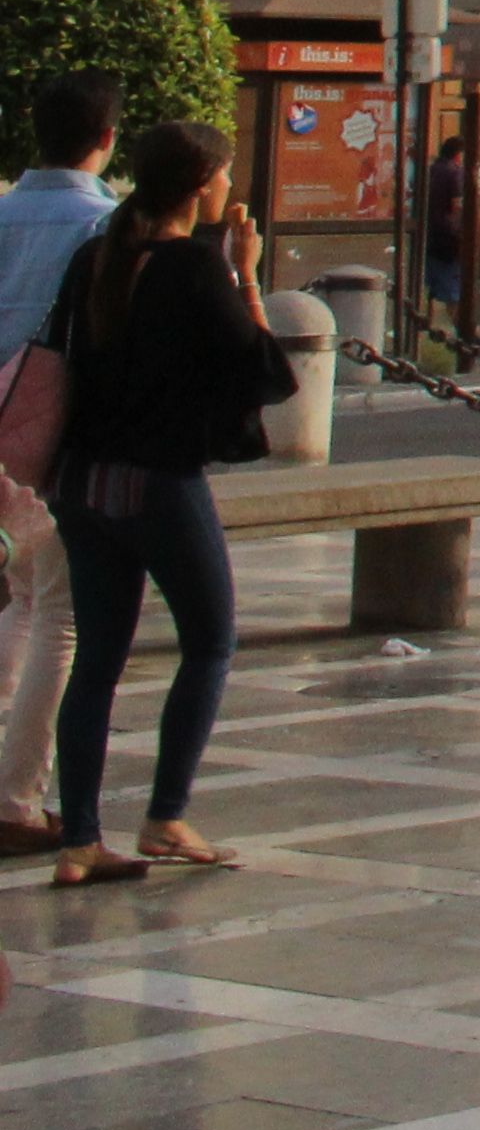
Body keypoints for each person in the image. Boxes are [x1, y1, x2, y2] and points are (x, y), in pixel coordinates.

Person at [36, 121, 290, 882]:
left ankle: (80, 839)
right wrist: (246, 273)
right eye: (225, 174)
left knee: (99, 660)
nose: (228, 188)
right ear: (202, 183)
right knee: (210, 642)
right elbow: (266, 374)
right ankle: (166, 816)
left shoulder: (96, 257)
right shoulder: (194, 267)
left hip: (83, 483)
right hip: (159, 483)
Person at [0, 76, 126, 855]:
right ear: (107, 138)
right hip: (60, 440)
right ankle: (16, 797)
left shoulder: (3, 213)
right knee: (60, 612)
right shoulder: (104, 226)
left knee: (20, 598)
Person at [419, 133, 472, 331]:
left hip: (430, 236)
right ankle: (465, 333)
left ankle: (426, 329)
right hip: (449, 240)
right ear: (459, 155)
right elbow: (457, 206)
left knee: (428, 289)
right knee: (453, 291)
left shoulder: (431, 170)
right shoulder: (454, 173)